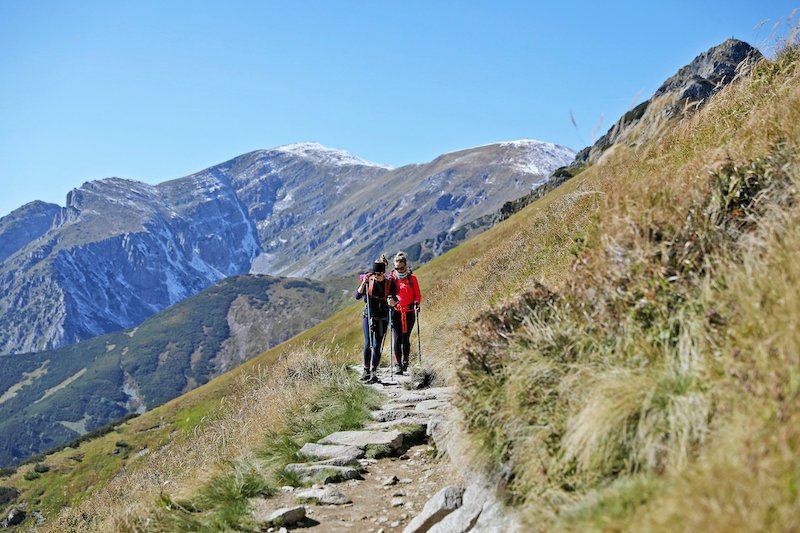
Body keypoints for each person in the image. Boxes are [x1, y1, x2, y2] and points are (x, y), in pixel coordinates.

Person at [355, 257, 397, 383]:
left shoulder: (390, 283)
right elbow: (357, 296)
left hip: (383, 317)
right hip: (369, 315)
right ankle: (366, 370)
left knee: (377, 345)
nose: (377, 276)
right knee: (368, 344)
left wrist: (392, 302)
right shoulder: (368, 280)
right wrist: (363, 283)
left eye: (379, 274)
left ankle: (374, 371)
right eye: (375, 273)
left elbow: (395, 298)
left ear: (383, 273)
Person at [389, 252, 421, 374]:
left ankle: (405, 361)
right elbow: (388, 294)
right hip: (396, 312)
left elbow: (417, 295)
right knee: (397, 339)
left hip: (409, 312)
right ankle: (398, 365)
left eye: (401, 268)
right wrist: (389, 300)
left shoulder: (412, 279)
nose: (399, 270)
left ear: (406, 266)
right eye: (397, 268)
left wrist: (417, 303)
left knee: (405, 338)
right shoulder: (392, 279)